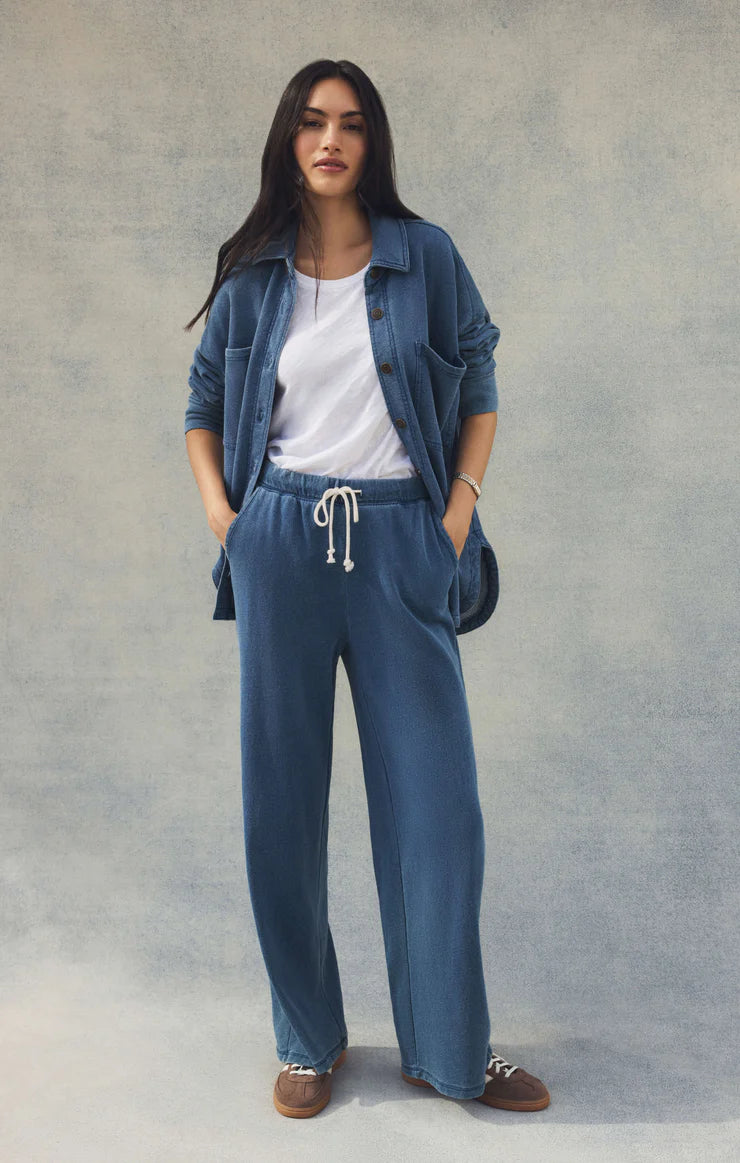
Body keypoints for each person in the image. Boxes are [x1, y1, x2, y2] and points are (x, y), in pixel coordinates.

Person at [183, 58, 550, 1119]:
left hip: (400, 540)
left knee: (439, 812)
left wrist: (456, 511)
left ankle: (451, 1044)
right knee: (280, 807)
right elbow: (203, 396)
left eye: (348, 123)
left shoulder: (423, 256)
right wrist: (226, 514)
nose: (329, 140)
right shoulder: (255, 270)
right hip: (283, 539)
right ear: (288, 141)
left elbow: (477, 376)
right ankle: (308, 1037)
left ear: (371, 141)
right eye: (310, 123)